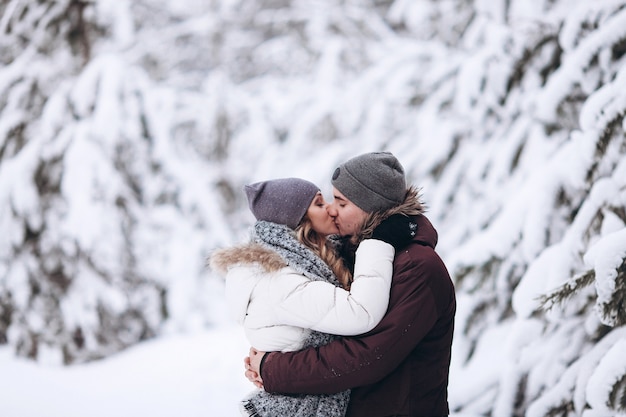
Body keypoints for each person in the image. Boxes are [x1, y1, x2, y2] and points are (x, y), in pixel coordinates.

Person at [244, 152, 457, 417]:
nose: (332, 209)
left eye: (342, 203)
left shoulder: (418, 267)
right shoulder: (354, 256)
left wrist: (274, 368)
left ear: (370, 208)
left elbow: (369, 357)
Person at [209, 177, 416, 417]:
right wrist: (379, 242)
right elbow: (360, 313)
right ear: (298, 220)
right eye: (319, 204)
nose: (330, 208)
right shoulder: (279, 281)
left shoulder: (310, 264)